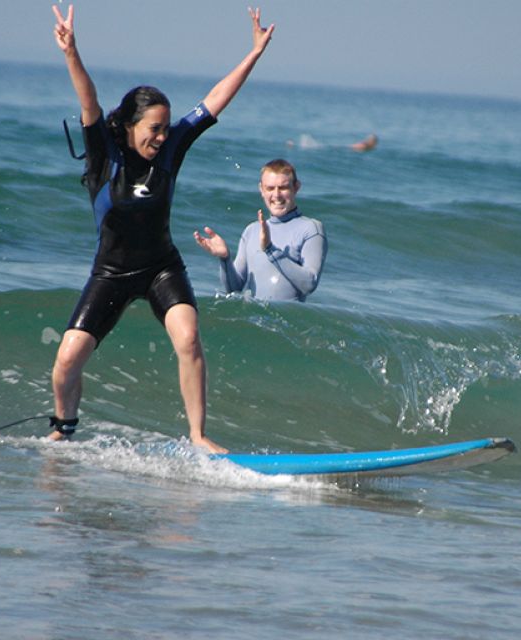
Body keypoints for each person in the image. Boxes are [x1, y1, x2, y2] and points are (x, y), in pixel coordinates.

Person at [47, 4, 274, 453]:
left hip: (161, 268)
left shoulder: (171, 151)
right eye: (154, 129)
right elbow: (89, 102)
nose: (163, 137)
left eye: (167, 129)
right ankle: (63, 427)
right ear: (130, 127)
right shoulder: (103, 154)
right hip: (110, 272)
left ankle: (199, 435)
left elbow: (214, 101)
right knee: (67, 360)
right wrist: (71, 52)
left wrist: (254, 54)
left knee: (189, 338)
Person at [194, 159, 326, 302]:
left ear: (296, 187)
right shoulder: (252, 230)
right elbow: (234, 289)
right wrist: (225, 259)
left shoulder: (311, 229)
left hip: (287, 321)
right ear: (261, 189)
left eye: (283, 188)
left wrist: (270, 250)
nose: (276, 195)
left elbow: (309, 284)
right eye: (270, 188)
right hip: (254, 319)